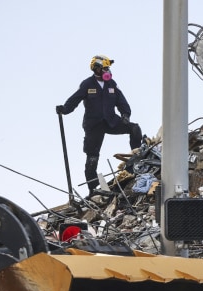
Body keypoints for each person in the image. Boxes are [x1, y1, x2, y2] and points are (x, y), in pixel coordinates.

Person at [56, 55, 143, 196]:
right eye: (105, 68)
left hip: (111, 121)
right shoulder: (87, 84)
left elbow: (122, 101)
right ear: (96, 69)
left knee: (134, 128)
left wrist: (125, 115)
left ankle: (136, 160)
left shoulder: (112, 84)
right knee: (92, 158)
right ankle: (93, 189)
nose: (107, 70)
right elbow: (75, 99)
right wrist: (65, 109)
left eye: (108, 68)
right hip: (94, 125)